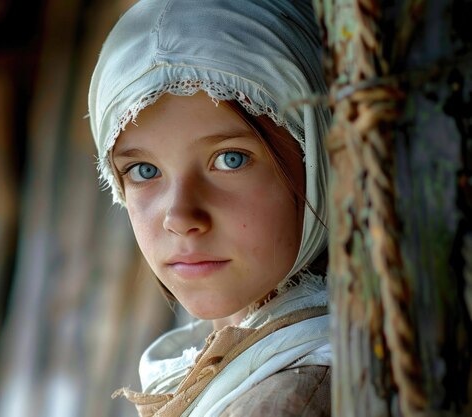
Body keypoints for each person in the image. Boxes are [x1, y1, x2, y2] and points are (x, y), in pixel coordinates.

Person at [88, 0, 331, 416]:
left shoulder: (292, 399)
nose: (180, 217)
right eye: (144, 170)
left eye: (230, 159)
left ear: (320, 156)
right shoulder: (229, 364)